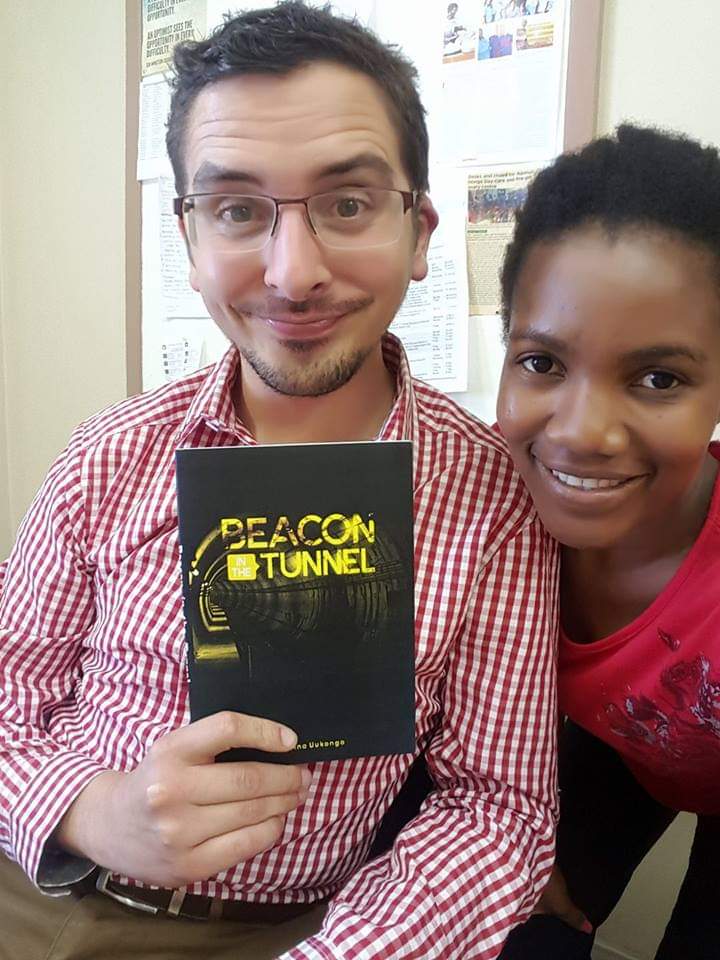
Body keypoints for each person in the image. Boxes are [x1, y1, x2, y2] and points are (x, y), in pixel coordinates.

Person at [0, 4, 559, 958]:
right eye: (236, 210)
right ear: (190, 242)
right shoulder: (109, 454)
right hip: (37, 887)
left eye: (348, 203)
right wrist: (93, 811)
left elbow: (498, 808)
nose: (294, 275)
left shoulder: (495, 498)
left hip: (297, 934)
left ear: (420, 232)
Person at [495, 124, 720, 959]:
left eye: (658, 379)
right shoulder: (484, 521)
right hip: (621, 750)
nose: (582, 434)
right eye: (542, 363)